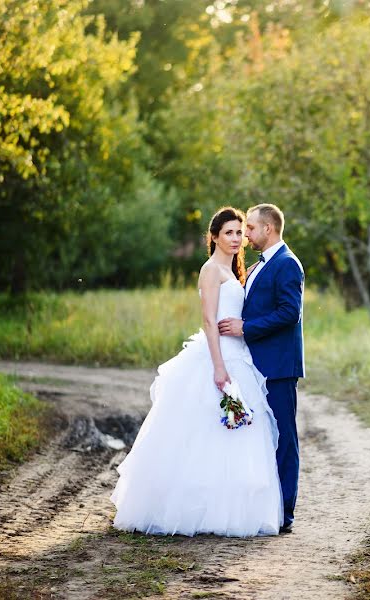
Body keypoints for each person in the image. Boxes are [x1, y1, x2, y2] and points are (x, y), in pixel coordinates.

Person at [110, 207, 283, 537]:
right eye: (229, 232)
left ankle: (231, 507)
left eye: (239, 233)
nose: (236, 239)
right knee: (203, 431)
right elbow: (208, 321)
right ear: (214, 236)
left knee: (239, 431)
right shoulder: (210, 270)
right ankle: (192, 510)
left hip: (239, 356)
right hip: (218, 358)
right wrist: (219, 367)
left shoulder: (233, 272)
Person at [218, 203, 304, 534]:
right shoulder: (258, 266)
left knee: (284, 438)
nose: (245, 234)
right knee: (261, 435)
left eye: (250, 228)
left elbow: (289, 313)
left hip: (279, 366)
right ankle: (263, 506)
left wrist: (246, 327)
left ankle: (285, 512)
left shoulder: (286, 264)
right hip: (256, 366)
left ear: (268, 229)